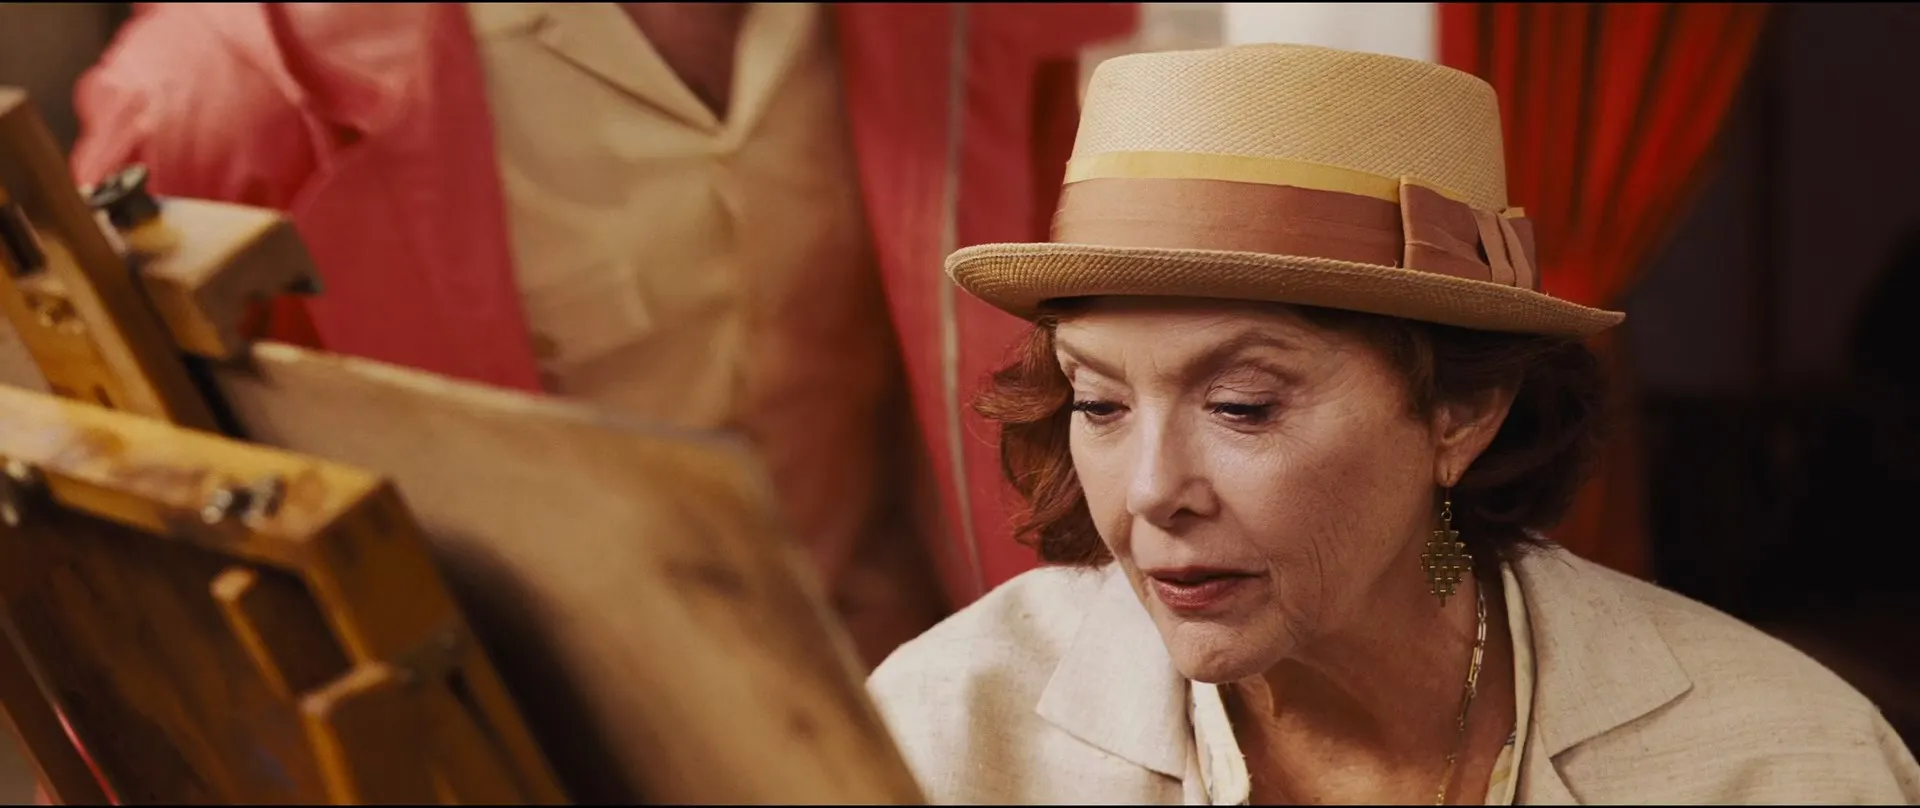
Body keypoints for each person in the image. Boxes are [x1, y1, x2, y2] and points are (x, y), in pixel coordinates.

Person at [867, 44, 1920, 804]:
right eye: (1100, 403)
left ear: (1462, 410)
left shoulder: (1778, 759)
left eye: (1240, 405)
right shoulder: (947, 732)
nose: (1149, 491)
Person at [67, 2, 1136, 669]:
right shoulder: (225, 91)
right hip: (506, 740)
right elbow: (124, 610)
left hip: (909, 686)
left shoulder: (967, 26)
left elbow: (1083, 364)